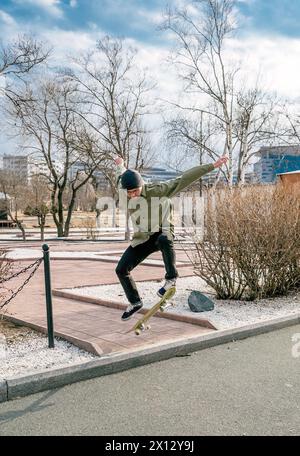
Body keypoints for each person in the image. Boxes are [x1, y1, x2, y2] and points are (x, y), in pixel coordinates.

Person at [114, 155, 228, 320]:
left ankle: (171, 278)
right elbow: (121, 175)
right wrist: (121, 165)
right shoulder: (124, 190)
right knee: (121, 269)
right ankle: (135, 302)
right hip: (144, 238)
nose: (132, 195)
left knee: (164, 239)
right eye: (129, 192)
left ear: (141, 186)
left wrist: (212, 166)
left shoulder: (158, 190)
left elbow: (184, 179)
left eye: (135, 191)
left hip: (162, 232)